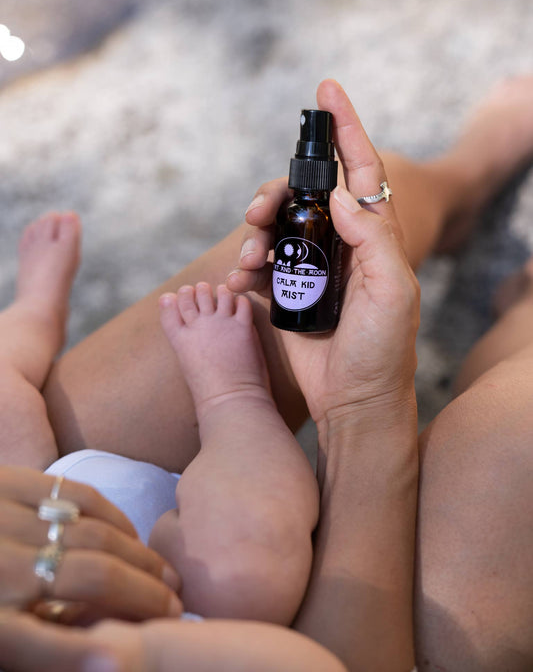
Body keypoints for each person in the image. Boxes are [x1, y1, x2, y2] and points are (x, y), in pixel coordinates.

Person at [0, 76, 533, 671]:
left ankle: (462, 183)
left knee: (366, 218)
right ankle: (524, 311)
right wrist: (360, 408)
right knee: (509, 435)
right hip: (238, 622)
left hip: (66, 504)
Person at [0, 211, 319, 624]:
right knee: (245, 573)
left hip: (38, 514)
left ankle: (35, 312)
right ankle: (235, 397)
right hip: (173, 615)